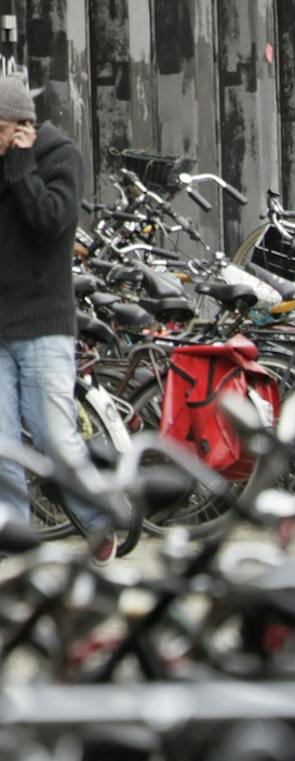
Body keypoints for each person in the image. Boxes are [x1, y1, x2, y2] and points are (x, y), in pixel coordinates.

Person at [0, 71, 103, 558]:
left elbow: (50, 223)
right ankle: (13, 542)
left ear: (21, 127)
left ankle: (101, 522)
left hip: (42, 323)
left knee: (53, 438)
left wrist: (21, 167)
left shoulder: (59, 157)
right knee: (1, 450)